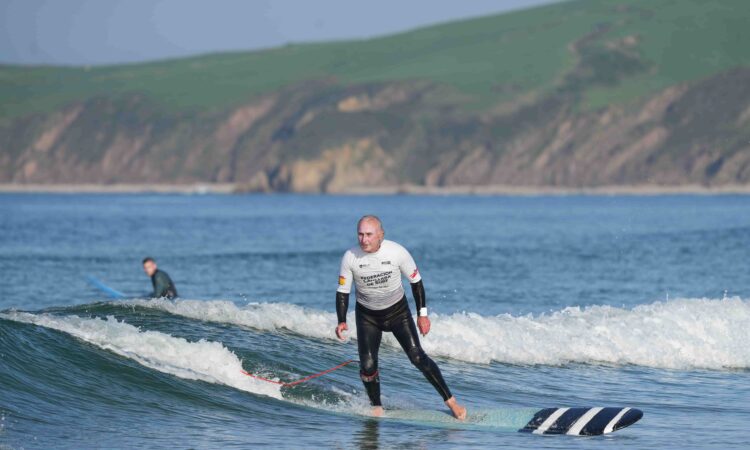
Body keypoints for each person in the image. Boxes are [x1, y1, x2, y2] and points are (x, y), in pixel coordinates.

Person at [335, 215, 467, 420]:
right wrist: (341, 320)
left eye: (369, 234)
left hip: (398, 313)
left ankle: (451, 402)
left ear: (380, 235)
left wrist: (422, 315)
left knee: (417, 357)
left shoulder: (397, 252)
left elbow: (416, 282)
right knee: (368, 366)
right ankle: (376, 406)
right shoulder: (350, 257)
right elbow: (343, 291)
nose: (364, 239)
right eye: (360, 234)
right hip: (367, 316)